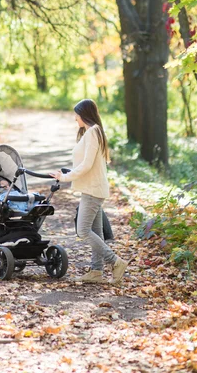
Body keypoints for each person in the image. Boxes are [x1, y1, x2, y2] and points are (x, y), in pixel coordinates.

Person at [50, 99, 128, 284]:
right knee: (96, 231)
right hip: (93, 189)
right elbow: (86, 165)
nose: (75, 119)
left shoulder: (93, 132)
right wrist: (66, 173)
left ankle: (115, 262)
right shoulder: (94, 132)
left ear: (83, 114)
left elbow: (86, 165)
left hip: (93, 190)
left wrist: (65, 178)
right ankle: (96, 272)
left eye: (76, 114)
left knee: (83, 230)